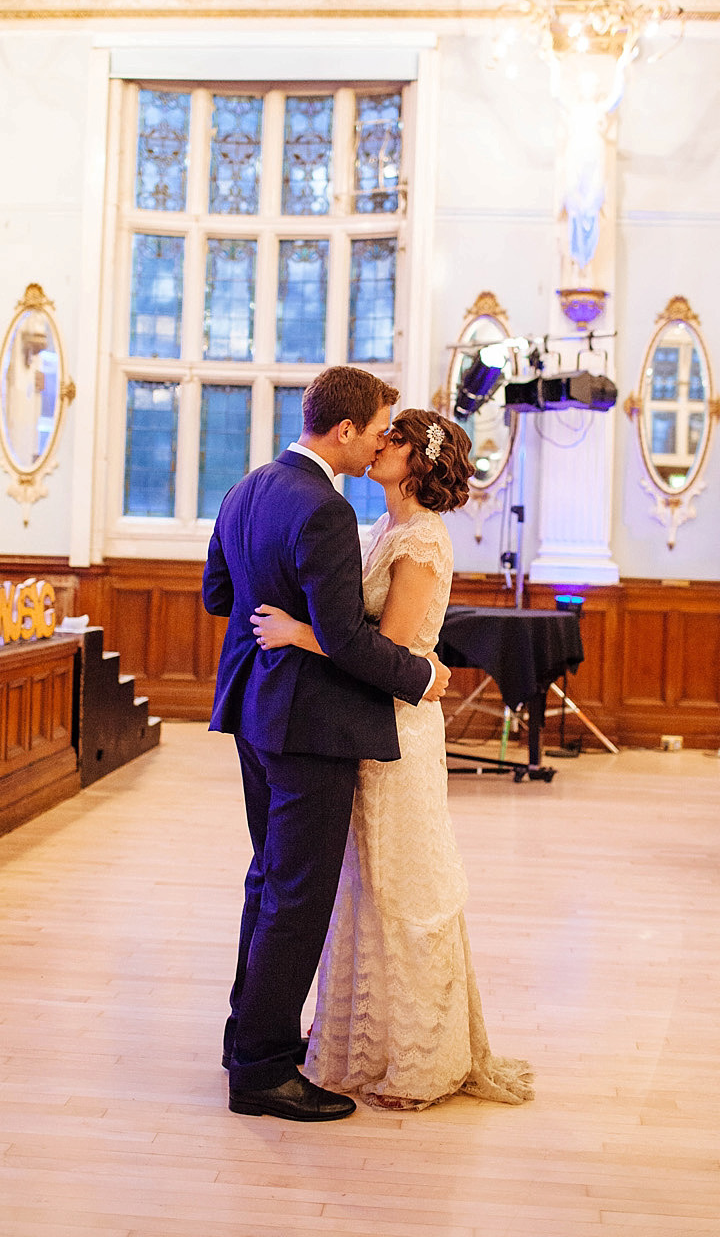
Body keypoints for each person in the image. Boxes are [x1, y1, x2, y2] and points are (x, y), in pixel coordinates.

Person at [252, 408, 534, 1111]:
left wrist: (295, 633)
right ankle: (357, 1042)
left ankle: (416, 1055)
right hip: (363, 721)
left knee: (403, 879)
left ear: (419, 461)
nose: (381, 444)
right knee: (361, 882)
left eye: (396, 438)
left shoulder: (424, 540)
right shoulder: (381, 527)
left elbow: (392, 647)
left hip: (399, 730)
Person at [202, 367, 452, 1124]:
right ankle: (264, 1070)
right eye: (378, 428)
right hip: (308, 725)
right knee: (297, 895)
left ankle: (244, 1036)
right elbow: (345, 640)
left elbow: (219, 595)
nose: (382, 440)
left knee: (268, 880)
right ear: (344, 433)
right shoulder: (326, 510)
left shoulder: (246, 489)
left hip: (251, 711)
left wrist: (271, 610)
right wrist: (422, 675)